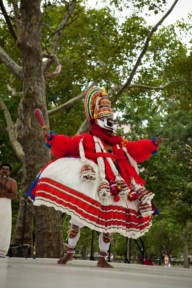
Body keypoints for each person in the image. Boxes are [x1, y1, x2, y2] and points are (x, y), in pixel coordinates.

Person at [28, 86, 165, 268]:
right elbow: (68, 145)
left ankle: (102, 258)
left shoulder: (119, 144)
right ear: (96, 120)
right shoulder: (86, 139)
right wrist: (52, 138)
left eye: (111, 119)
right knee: (77, 220)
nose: (110, 122)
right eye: (105, 119)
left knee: (107, 225)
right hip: (93, 182)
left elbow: (136, 149)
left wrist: (152, 144)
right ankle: (69, 253)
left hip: (115, 184)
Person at [0, 163, 18, 257]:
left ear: (9, 172)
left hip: (5, 204)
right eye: (3, 169)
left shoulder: (12, 181)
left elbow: (14, 195)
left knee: (4, 227)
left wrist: (3, 194)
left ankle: (2, 251)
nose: (4, 170)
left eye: (7, 169)